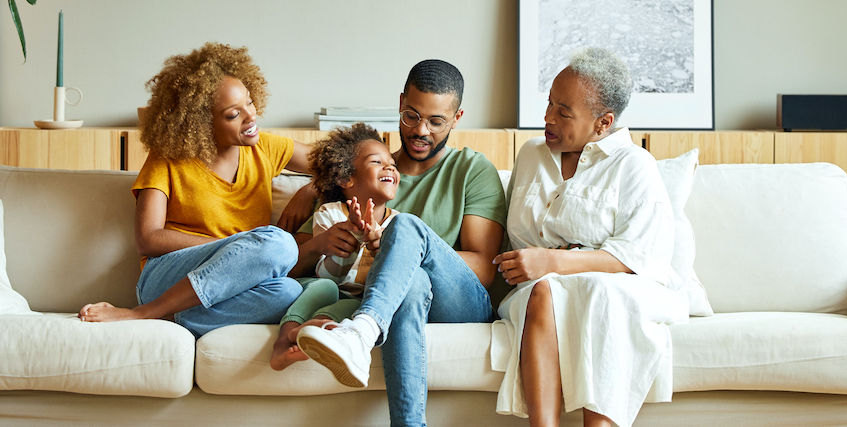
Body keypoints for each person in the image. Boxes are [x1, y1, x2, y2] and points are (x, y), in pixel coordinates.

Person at [289, 59, 507, 427]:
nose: (421, 130)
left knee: (404, 228)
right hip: (408, 297)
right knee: (411, 284)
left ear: (456, 118)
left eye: (436, 122)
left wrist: (401, 253)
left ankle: (362, 331)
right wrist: (315, 191)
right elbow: (291, 263)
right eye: (411, 115)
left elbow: (485, 269)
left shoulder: (472, 169)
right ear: (401, 102)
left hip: (459, 302)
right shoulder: (364, 174)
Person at [493, 47, 689, 427]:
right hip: (535, 293)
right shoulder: (531, 154)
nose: (547, 117)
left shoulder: (635, 166)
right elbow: (510, 242)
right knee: (545, 290)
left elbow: (639, 258)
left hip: (619, 290)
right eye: (549, 103)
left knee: (590, 293)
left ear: (603, 123)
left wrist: (555, 261)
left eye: (563, 112)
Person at [77, 43, 318, 338]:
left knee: (289, 292)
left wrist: (312, 187)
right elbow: (149, 238)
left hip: (232, 283)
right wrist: (237, 247)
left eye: (250, 103)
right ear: (201, 124)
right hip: (167, 276)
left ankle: (174, 316)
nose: (251, 116)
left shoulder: (266, 147)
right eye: (233, 114)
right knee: (279, 245)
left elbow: (343, 164)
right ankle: (142, 312)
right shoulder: (168, 157)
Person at [270, 123, 401, 371]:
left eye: (392, 164)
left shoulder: (398, 226)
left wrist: (379, 248)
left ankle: (315, 328)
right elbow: (329, 275)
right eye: (377, 162)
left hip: (357, 296)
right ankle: (283, 342)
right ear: (345, 178)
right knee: (324, 287)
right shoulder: (329, 215)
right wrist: (350, 242)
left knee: (356, 305)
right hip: (324, 285)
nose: (389, 167)